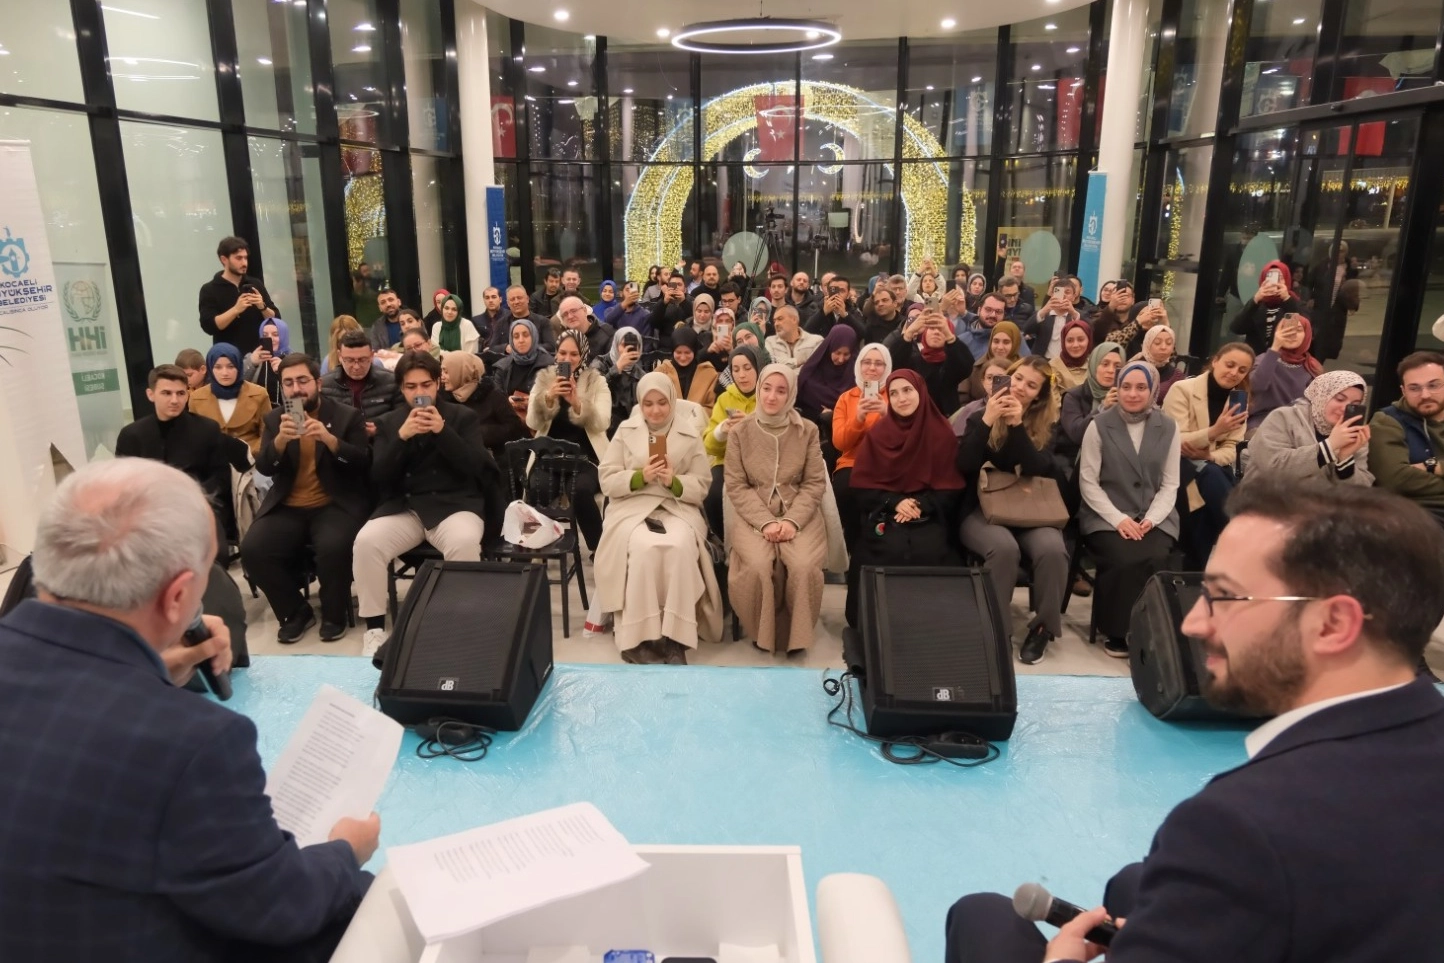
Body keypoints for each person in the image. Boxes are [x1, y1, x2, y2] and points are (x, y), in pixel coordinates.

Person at [945, 479, 1444, 963]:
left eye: (1223, 597)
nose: (1193, 622)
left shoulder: (1237, 828)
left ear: (1332, 625)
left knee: (983, 916)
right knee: (1131, 886)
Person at [0, 459, 377, 962]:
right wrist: (344, 850)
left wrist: (148, 668)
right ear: (178, 596)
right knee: (361, 901)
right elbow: (280, 907)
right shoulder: (191, 741)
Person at [355, 352, 498, 656]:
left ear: (438, 384)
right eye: (411, 387)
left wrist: (442, 432)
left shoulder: (462, 417)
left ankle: (461, 624)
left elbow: (477, 469)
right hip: (405, 508)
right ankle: (375, 630)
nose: (419, 393)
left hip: (454, 505)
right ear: (401, 388)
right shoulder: (389, 422)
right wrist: (401, 438)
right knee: (366, 542)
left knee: (464, 542)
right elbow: (378, 476)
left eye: (425, 385)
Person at [242, 353, 372, 643]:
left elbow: (362, 462)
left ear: (318, 383)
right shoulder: (276, 418)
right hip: (288, 504)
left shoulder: (345, 416)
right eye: (288, 383)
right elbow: (264, 466)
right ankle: (295, 611)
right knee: (253, 548)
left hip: (334, 503)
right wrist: (279, 442)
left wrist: (329, 440)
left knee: (333, 546)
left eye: (302, 381)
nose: (296, 389)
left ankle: (334, 612)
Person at [596, 372, 723, 664]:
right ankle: (640, 637)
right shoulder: (626, 431)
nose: (655, 410)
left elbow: (702, 484)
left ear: (672, 401)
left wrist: (674, 482)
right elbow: (607, 480)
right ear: (640, 403)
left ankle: (675, 639)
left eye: (662, 403)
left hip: (677, 507)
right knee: (643, 548)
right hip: (632, 507)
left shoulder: (689, 434)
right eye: (648, 403)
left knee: (678, 546)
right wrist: (640, 477)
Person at [956, 356, 1068, 664]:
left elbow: (1038, 468)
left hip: (1031, 509)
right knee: (1003, 548)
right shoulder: (978, 414)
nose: (1020, 387)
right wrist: (989, 419)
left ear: (1039, 395)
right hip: (982, 507)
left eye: (1031, 385)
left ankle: (1043, 627)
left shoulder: (1048, 424)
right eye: (1017, 378)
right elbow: (964, 465)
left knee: (1053, 549)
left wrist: (1017, 425)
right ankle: (995, 626)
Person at [845, 369, 967, 626]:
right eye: (894, 393)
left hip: (930, 513)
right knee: (881, 549)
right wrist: (894, 502)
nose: (902, 398)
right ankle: (875, 625)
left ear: (920, 392)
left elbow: (951, 487)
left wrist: (920, 505)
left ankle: (925, 624)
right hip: (886, 511)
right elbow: (862, 485)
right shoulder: (879, 434)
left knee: (931, 550)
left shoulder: (941, 432)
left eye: (907, 390)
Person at [724, 364, 831, 654]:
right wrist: (765, 523)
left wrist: (793, 521)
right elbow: (736, 485)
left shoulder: (806, 430)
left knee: (803, 565)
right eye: (767, 388)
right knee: (758, 565)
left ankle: (796, 637)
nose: (772, 397)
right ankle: (763, 633)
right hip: (753, 513)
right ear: (758, 390)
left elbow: (813, 483)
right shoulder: (740, 432)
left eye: (781, 390)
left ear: (791, 394)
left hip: (800, 511)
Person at [1079, 361, 1180, 656]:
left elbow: (1170, 483)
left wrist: (1151, 519)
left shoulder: (1168, 426)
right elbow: (1088, 482)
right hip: (1105, 514)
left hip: (1154, 514)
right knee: (1124, 558)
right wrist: (1119, 519)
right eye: (1126, 386)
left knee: (1157, 554)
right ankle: (1118, 632)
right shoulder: (1098, 425)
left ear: (1152, 391)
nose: (1132, 394)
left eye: (1141, 387)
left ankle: (1153, 630)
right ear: (1117, 388)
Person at [1163, 342, 1253, 562]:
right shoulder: (1182, 390)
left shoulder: (1238, 402)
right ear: (1215, 362)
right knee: (1212, 478)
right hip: (1177, 466)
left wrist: (1210, 456)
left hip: (1211, 469)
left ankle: (1196, 572)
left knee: (1208, 496)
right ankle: (1245, 537)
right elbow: (1174, 440)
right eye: (1229, 365)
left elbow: (1233, 449)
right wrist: (1215, 431)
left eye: (1242, 370)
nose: (1234, 373)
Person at [527, 331, 610, 552]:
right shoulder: (545, 378)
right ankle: (533, 548)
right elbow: (531, 421)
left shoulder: (596, 381)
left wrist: (577, 403)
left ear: (583, 354)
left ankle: (600, 550)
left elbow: (602, 423)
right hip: (549, 458)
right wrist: (548, 397)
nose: (567, 358)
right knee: (537, 488)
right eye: (562, 352)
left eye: (574, 353)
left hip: (585, 458)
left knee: (580, 491)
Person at [1248, 369, 1373, 489]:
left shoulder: (1353, 434)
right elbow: (1272, 467)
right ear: (1322, 395)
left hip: (1322, 508)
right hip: (1267, 503)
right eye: (1339, 399)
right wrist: (1330, 446)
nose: (1345, 408)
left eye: (1354, 405)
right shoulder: (1284, 417)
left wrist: (1345, 459)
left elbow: (1360, 490)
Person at [1368, 350, 1444, 526]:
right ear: (1403, 390)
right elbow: (1395, 479)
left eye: (1434, 385)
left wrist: (1430, 467)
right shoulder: (1388, 420)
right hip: (1420, 515)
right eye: (1414, 388)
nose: (1425, 395)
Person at [832, 343, 892, 553]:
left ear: (887, 367)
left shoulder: (895, 396)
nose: (872, 368)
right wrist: (858, 418)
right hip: (853, 462)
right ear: (859, 366)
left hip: (887, 462)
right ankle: (852, 549)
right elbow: (840, 443)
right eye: (867, 362)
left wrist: (887, 415)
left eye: (878, 363)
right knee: (845, 487)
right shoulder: (846, 398)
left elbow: (905, 437)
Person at [703, 346, 762, 535]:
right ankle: (723, 541)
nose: (742, 375)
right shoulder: (724, 399)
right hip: (728, 461)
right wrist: (722, 431)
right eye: (735, 370)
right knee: (713, 494)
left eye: (747, 368)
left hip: (763, 461)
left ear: (758, 368)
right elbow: (709, 446)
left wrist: (750, 426)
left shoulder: (768, 396)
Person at [886, 305, 974, 417]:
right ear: (924, 334)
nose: (936, 332)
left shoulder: (952, 362)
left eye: (941, 330)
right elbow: (893, 362)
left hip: (945, 419)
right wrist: (909, 332)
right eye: (932, 329)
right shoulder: (914, 361)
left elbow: (966, 366)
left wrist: (950, 337)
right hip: (915, 417)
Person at [189, 343, 274, 457]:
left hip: (252, 462)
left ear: (239, 366)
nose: (225, 373)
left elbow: (267, 434)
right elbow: (195, 438)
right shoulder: (197, 398)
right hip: (212, 465)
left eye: (231, 366)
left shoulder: (259, 394)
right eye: (218, 367)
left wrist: (249, 454)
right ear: (210, 368)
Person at [439, 350, 527, 458]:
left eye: (446, 372)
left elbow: (515, 428)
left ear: (462, 371)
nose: (442, 377)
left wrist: (479, 432)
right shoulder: (443, 398)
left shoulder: (492, 395)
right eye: (442, 371)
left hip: (492, 459)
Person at [198, 235, 278, 354]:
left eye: (245, 258)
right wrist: (236, 310)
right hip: (229, 357)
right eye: (238, 258)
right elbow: (209, 326)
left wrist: (262, 307)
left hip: (260, 353)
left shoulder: (255, 284)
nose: (244, 263)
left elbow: (276, 319)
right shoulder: (209, 289)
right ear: (224, 259)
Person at [1057, 342, 1126, 469]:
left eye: (1117, 366)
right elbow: (1076, 434)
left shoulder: (1127, 397)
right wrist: (1103, 408)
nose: (1110, 370)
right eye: (1105, 364)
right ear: (1094, 365)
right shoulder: (1073, 396)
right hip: (1076, 464)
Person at [1247, 313, 1321, 430]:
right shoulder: (1265, 359)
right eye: (1286, 329)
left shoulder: (1312, 366)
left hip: (1298, 425)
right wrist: (1275, 347)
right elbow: (1256, 386)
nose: (1292, 334)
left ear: (1306, 335)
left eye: (1298, 330)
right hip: (1262, 423)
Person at [320, 329, 397, 438]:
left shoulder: (391, 382)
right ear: (339, 356)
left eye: (362, 360)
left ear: (371, 356)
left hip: (381, 446)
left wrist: (382, 428)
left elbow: (401, 419)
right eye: (350, 360)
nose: (356, 367)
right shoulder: (324, 386)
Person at [1230, 260, 1307, 355]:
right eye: (1269, 277)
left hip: (1281, 359)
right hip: (1254, 360)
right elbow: (1236, 328)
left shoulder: (1294, 302)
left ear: (1286, 279)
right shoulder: (1256, 304)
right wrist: (1255, 300)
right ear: (1263, 280)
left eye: (1280, 277)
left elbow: (1299, 329)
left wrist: (1286, 299)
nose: (1275, 282)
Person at [491, 317, 554, 418]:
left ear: (534, 337)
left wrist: (534, 402)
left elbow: (556, 398)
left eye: (526, 335)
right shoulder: (502, 367)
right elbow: (496, 398)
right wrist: (507, 401)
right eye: (516, 336)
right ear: (511, 340)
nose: (521, 340)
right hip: (511, 418)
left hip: (542, 419)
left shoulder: (549, 365)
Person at [796, 324, 858, 423]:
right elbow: (804, 392)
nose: (841, 359)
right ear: (829, 347)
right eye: (837, 353)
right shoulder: (812, 371)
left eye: (846, 354)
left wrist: (836, 411)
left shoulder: (856, 372)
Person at [960, 320, 1025, 406]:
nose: (1000, 347)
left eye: (1006, 342)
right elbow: (963, 398)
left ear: (1015, 343)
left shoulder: (1023, 370)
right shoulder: (976, 368)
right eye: (996, 341)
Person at [598, 326, 648, 436]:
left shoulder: (641, 374)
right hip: (606, 427)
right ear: (616, 345)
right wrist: (617, 368)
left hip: (633, 429)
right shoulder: (600, 363)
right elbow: (595, 392)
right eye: (624, 345)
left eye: (635, 346)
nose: (629, 349)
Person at [656, 326, 720, 412]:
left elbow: (712, 407)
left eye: (687, 352)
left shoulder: (708, 374)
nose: (683, 357)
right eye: (678, 352)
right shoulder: (661, 372)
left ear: (694, 350)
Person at [1022, 278, 1083, 359]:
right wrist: (1044, 309)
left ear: (1074, 296)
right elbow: (1027, 329)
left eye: (1067, 292)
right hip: (1042, 361)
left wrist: (1073, 313)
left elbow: (1088, 331)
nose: (1063, 296)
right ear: (1053, 294)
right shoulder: (1043, 314)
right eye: (1059, 292)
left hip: (1067, 362)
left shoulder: (1078, 315)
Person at [1312, 277, 1361, 364]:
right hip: (1330, 328)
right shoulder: (1341, 294)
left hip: (1332, 327)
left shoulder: (1341, 294)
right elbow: (1353, 305)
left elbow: (1354, 305)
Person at [246, 317, 291, 405]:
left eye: (275, 334)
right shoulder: (253, 358)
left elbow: (297, 393)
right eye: (265, 335)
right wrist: (252, 363)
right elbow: (238, 387)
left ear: (283, 336)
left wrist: (283, 371)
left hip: (287, 414)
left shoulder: (294, 360)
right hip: (259, 415)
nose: (271, 339)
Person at [805, 274, 864, 340]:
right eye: (834, 290)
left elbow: (862, 334)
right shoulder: (815, 307)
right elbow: (807, 331)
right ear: (828, 291)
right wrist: (823, 313)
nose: (837, 294)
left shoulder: (854, 311)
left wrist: (845, 315)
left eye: (842, 291)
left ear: (848, 295)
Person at [1136, 324, 1185, 402]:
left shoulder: (1177, 376)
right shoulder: (1133, 369)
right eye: (1157, 343)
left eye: (1169, 343)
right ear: (1147, 344)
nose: (1163, 347)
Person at [765, 304, 824, 369]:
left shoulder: (816, 341)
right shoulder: (770, 342)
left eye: (780, 319)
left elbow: (813, 369)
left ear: (794, 320)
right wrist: (797, 362)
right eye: (774, 321)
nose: (776, 324)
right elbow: (771, 365)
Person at [558, 294, 615, 361]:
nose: (570, 316)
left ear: (585, 310)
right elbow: (564, 365)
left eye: (573, 311)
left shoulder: (607, 335)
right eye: (565, 314)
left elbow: (614, 367)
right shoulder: (564, 338)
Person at [1049, 319, 1093, 390]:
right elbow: (1052, 397)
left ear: (1089, 340)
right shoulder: (1053, 367)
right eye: (1070, 340)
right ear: (1063, 342)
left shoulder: (1095, 365)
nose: (1075, 345)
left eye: (1081, 339)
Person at [368, 286, 406, 351]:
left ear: (399, 302)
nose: (388, 304)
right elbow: (375, 351)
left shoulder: (411, 319)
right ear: (380, 308)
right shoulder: (376, 327)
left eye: (391, 300)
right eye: (383, 302)